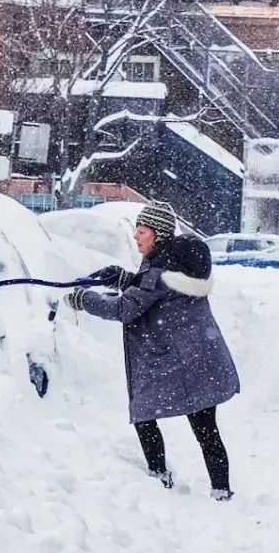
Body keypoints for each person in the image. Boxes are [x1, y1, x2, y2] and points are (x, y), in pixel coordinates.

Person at [64, 202, 240, 501]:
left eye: (141, 231)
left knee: (147, 413)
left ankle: (159, 478)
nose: (136, 236)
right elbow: (149, 288)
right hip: (196, 357)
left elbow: (125, 308)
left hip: (180, 360)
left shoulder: (159, 268)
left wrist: (85, 300)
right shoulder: (170, 262)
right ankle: (220, 490)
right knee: (204, 426)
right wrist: (124, 278)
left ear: (157, 234)